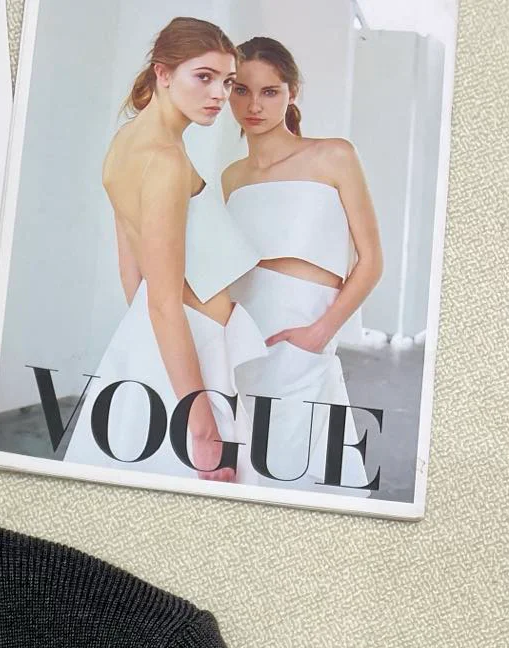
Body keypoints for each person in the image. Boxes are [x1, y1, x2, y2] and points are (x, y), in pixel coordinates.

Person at [65, 18, 262, 483]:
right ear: (163, 72)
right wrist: (202, 430)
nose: (218, 94)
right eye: (204, 77)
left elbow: (131, 269)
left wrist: (146, 348)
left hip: (163, 343)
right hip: (194, 353)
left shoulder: (126, 143)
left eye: (227, 81)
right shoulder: (166, 160)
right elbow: (162, 300)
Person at [221, 36, 383, 490]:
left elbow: (371, 260)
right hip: (245, 331)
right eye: (241, 89)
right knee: (255, 460)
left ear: (292, 92)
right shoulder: (232, 177)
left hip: (304, 329)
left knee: (297, 463)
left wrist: (320, 332)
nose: (254, 105)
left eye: (269, 91)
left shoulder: (334, 155)